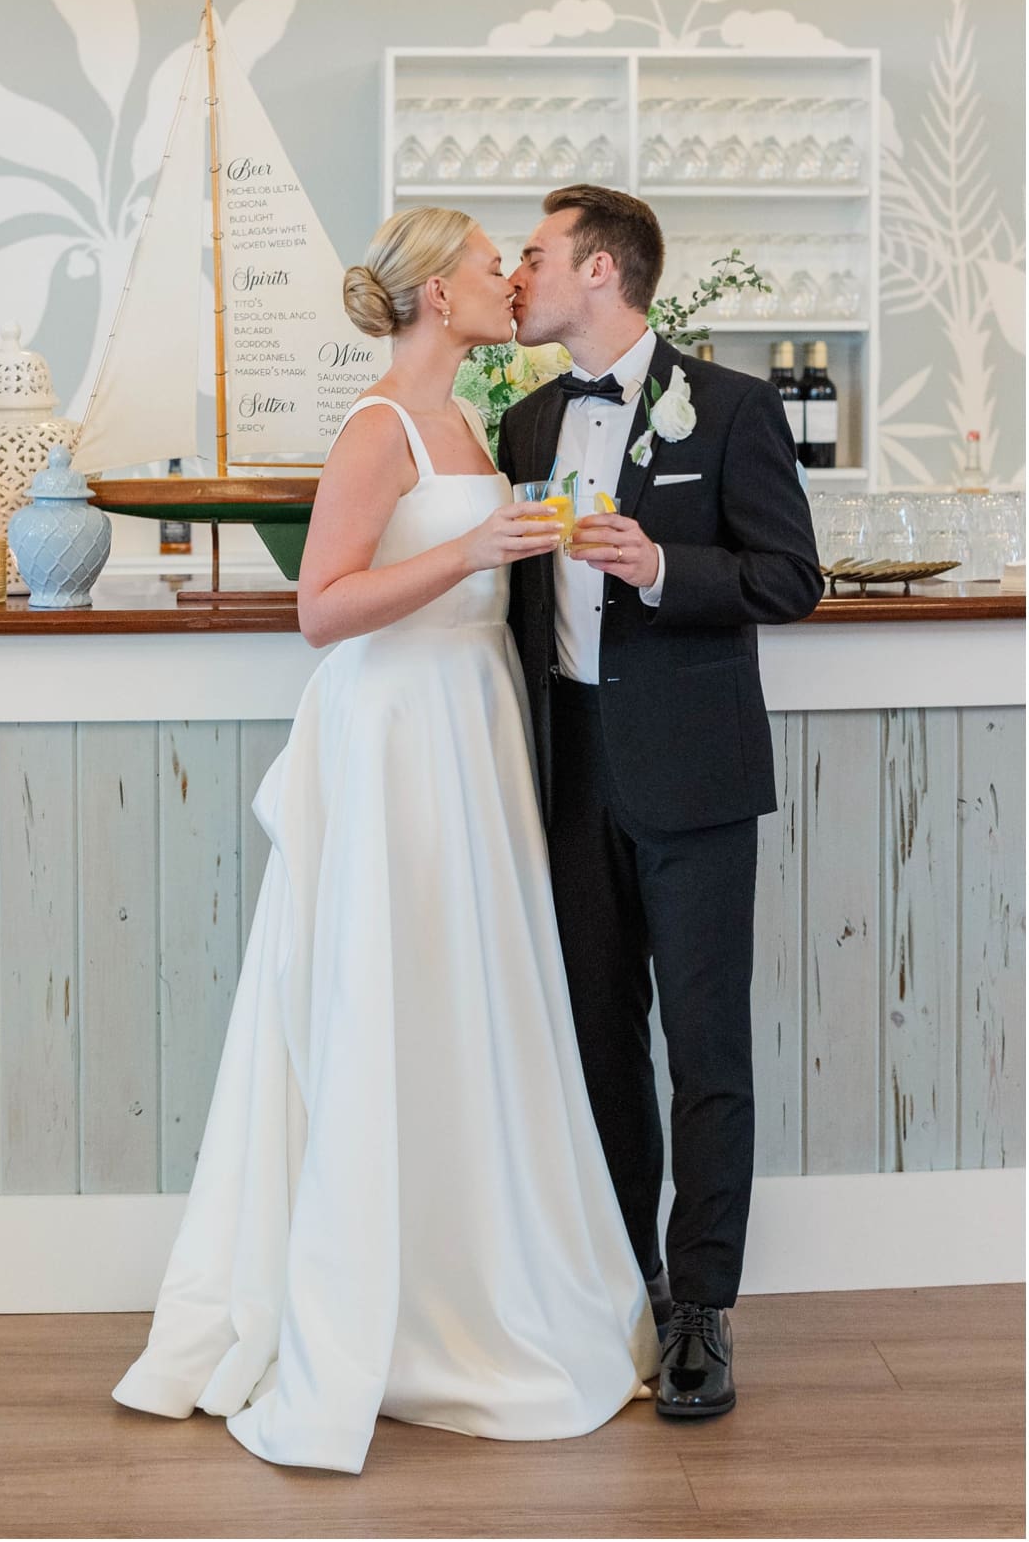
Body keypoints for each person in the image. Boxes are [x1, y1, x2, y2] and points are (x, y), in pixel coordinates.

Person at [112, 207, 659, 1473]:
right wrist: (472, 547)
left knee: (473, 1005)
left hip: (473, 725)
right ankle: (384, 1310)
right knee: (384, 996)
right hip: (395, 733)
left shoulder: (477, 419)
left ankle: (480, 1270)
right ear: (430, 296)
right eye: (486, 266)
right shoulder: (379, 427)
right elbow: (322, 609)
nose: (507, 279)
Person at [500, 185, 823, 1422]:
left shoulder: (730, 406)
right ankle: (616, 1280)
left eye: (533, 255)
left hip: (691, 777)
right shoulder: (525, 423)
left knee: (704, 1049)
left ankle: (700, 1309)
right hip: (566, 767)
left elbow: (790, 577)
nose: (518, 274)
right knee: (594, 1043)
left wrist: (660, 566)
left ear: (596, 270)